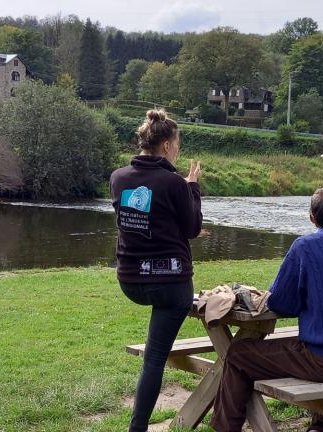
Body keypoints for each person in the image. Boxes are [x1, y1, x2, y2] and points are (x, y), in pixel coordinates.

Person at [211, 186, 323, 432]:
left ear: (311, 217)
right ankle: (322, 426)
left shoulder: (304, 247)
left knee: (239, 354)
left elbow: (280, 302)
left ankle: (224, 429)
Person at [110, 109, 203, 432]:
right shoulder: (174, 182)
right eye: (177, 144)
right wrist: (192, 187)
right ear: (165, 145)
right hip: (171, 285)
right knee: (154, 358)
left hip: (130, 280)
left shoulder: (118, 178)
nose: (177, 150)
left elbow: (142, 220)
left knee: (153, 356)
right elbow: (191, 228)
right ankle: (137, 428)